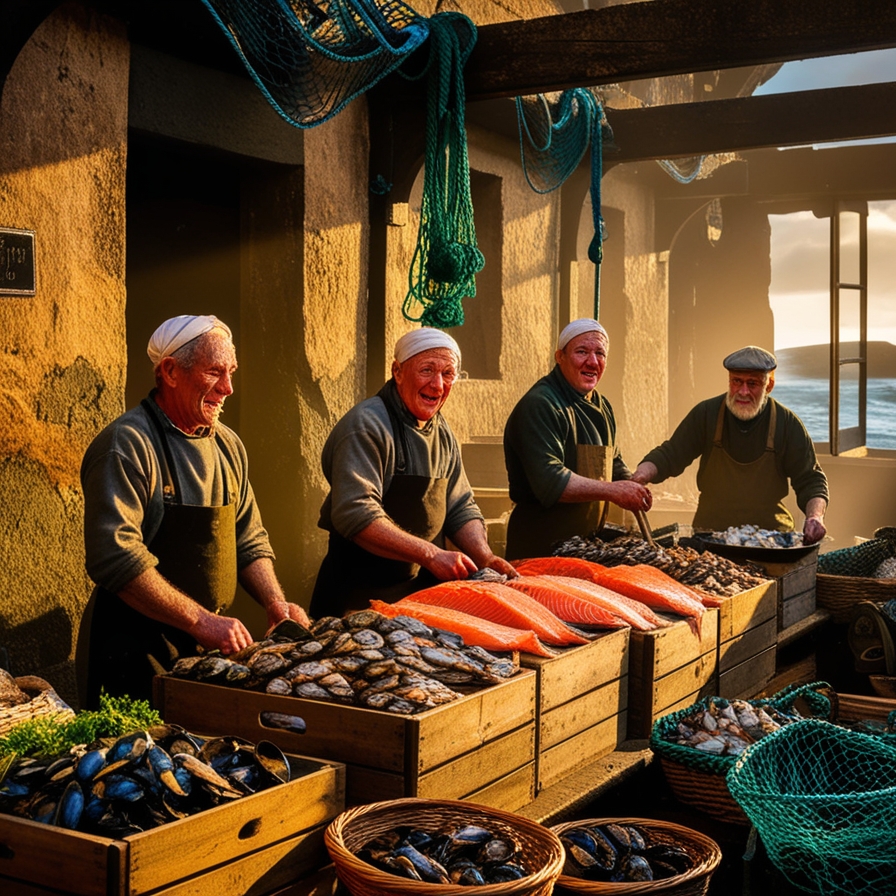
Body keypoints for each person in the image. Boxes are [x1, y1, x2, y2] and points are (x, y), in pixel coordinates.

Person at [79, 314, 309, 707]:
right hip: (133, 652)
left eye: (231, 372)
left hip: (205, 651)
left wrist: (274, 602)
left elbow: (248, 537)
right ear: (169, 371)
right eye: (214, 372)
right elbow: (116, 558)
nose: (228, 388)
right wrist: (202, 621)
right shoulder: (127, 444)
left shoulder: (228, 446)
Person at [310, 327, 516, 618]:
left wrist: (485, 557)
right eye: (427, 370)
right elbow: (356, 512)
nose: (437, 384)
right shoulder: (367, 425)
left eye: (448, 374)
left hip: (416, 594)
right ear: (398, 372)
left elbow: (460, 506)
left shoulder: (443, 433)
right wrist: (431, 554)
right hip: (355, 597)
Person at [631, 345, 828, 542]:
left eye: (752, 384)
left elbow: (811, 480)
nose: (743, 391)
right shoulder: (707, 413)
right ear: (729, 381)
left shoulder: (787, 423)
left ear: (769, 386)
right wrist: (639, 477)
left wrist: (815, 517)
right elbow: (670, 455)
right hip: (710, 534)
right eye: (737, 382)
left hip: (771, 539)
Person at [502, 318, 652, 560]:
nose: (592, 362)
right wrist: (614, 491)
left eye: (600, 354)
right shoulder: (541, 404)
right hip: (541, 550)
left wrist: (632, 483)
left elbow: (612, 461)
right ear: (559, 357)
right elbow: (551, 482)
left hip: (584, 548)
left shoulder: (602, 406)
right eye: (582, 352)